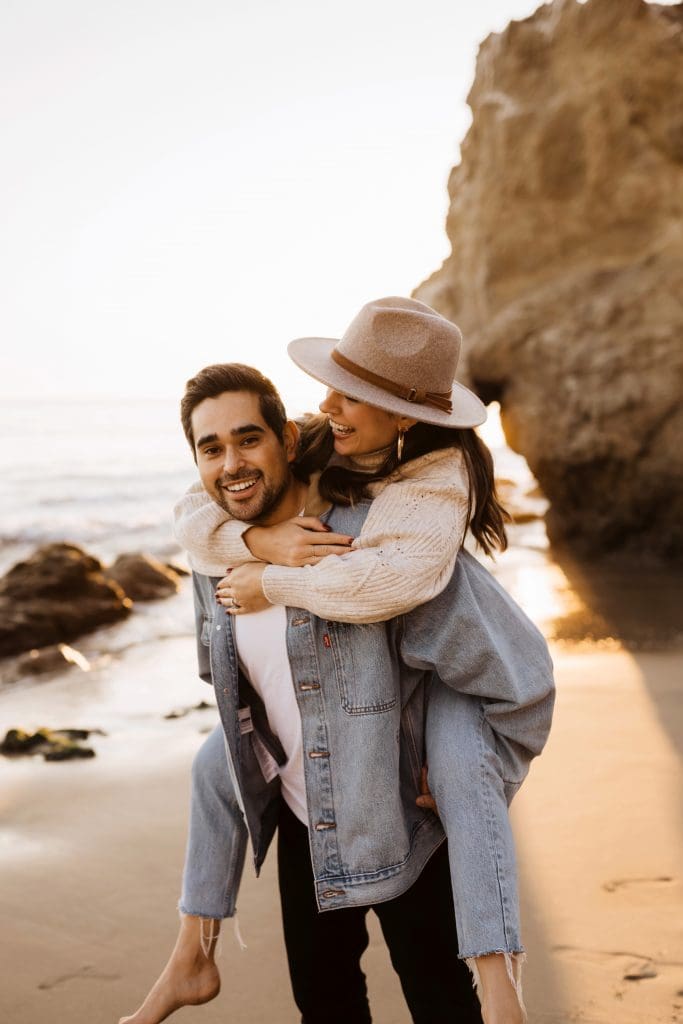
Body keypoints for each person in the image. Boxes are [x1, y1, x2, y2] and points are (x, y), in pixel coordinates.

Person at [120, 302, 554, 1024]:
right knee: (323, 1005)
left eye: (248, 440)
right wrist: (258, 545)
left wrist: (275, 579)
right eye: (209, 449)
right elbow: (193, 518)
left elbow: (451, 626)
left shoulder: (405, 516)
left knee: (443, 998)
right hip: (306, 816)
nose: (328, 405)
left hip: (401, 811)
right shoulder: (232, 535)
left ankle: (502, 987)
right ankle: (191, 952)